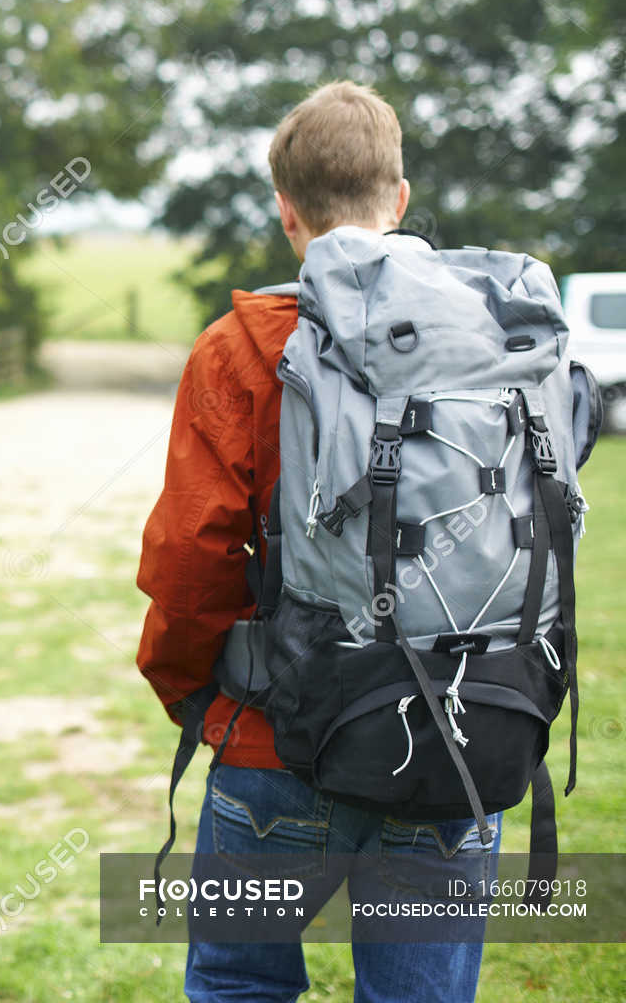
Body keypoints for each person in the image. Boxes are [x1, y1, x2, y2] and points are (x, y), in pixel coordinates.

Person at [135, 81, 500, 1002]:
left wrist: (191, 693)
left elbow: (191, 561)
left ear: (286, 212)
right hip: (457, 742)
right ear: (401, 199)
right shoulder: (496, 335)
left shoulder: (242, 348)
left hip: (274, 748)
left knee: (240, 987)